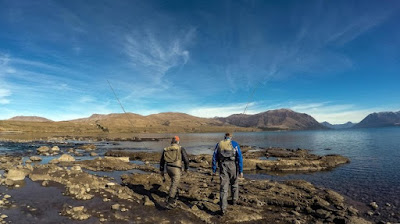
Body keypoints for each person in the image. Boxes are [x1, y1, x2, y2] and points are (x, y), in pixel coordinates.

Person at [212, 132, 243, 215]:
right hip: (233, 166)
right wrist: (241, 170)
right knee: (234, 184)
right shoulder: (235, 144)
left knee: (223, 187)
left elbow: (214, 157)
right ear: (231, 137)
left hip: (223, 166)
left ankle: (223, 208)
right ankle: (234, 201)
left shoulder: (219, 144)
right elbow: (239, 157)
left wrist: (214, 169)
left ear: (224, 137)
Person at [160, 136, 189, 209]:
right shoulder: (180, 148)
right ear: (178, 141)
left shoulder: (166, 149)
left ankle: (175, 195)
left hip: (168, 168)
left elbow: (162, 161)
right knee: (174, 184)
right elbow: (186, 160)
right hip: (176, 169)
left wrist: (162, 171)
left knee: (174, 182)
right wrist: (186, 169)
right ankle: (170, 201)